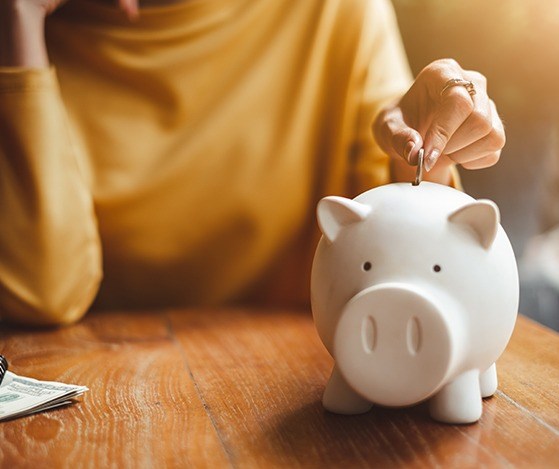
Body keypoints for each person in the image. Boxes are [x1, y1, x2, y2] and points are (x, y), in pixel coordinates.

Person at [0, 0, 506, 326]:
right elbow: (41, 293)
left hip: (294, 384)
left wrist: (430, 158)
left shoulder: (333, 11)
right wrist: (18, 20)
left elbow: (402, 251)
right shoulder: (30, 38)